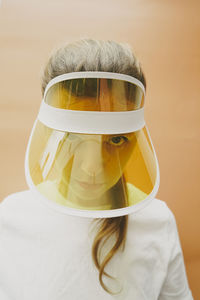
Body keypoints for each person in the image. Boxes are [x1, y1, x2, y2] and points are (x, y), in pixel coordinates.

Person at [0, 39, 193, 300]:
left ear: (135, 140)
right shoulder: (11, 220)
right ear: (49, 135)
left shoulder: (158, 222)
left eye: (115, 140)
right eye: (72, 137)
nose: (92, 167)